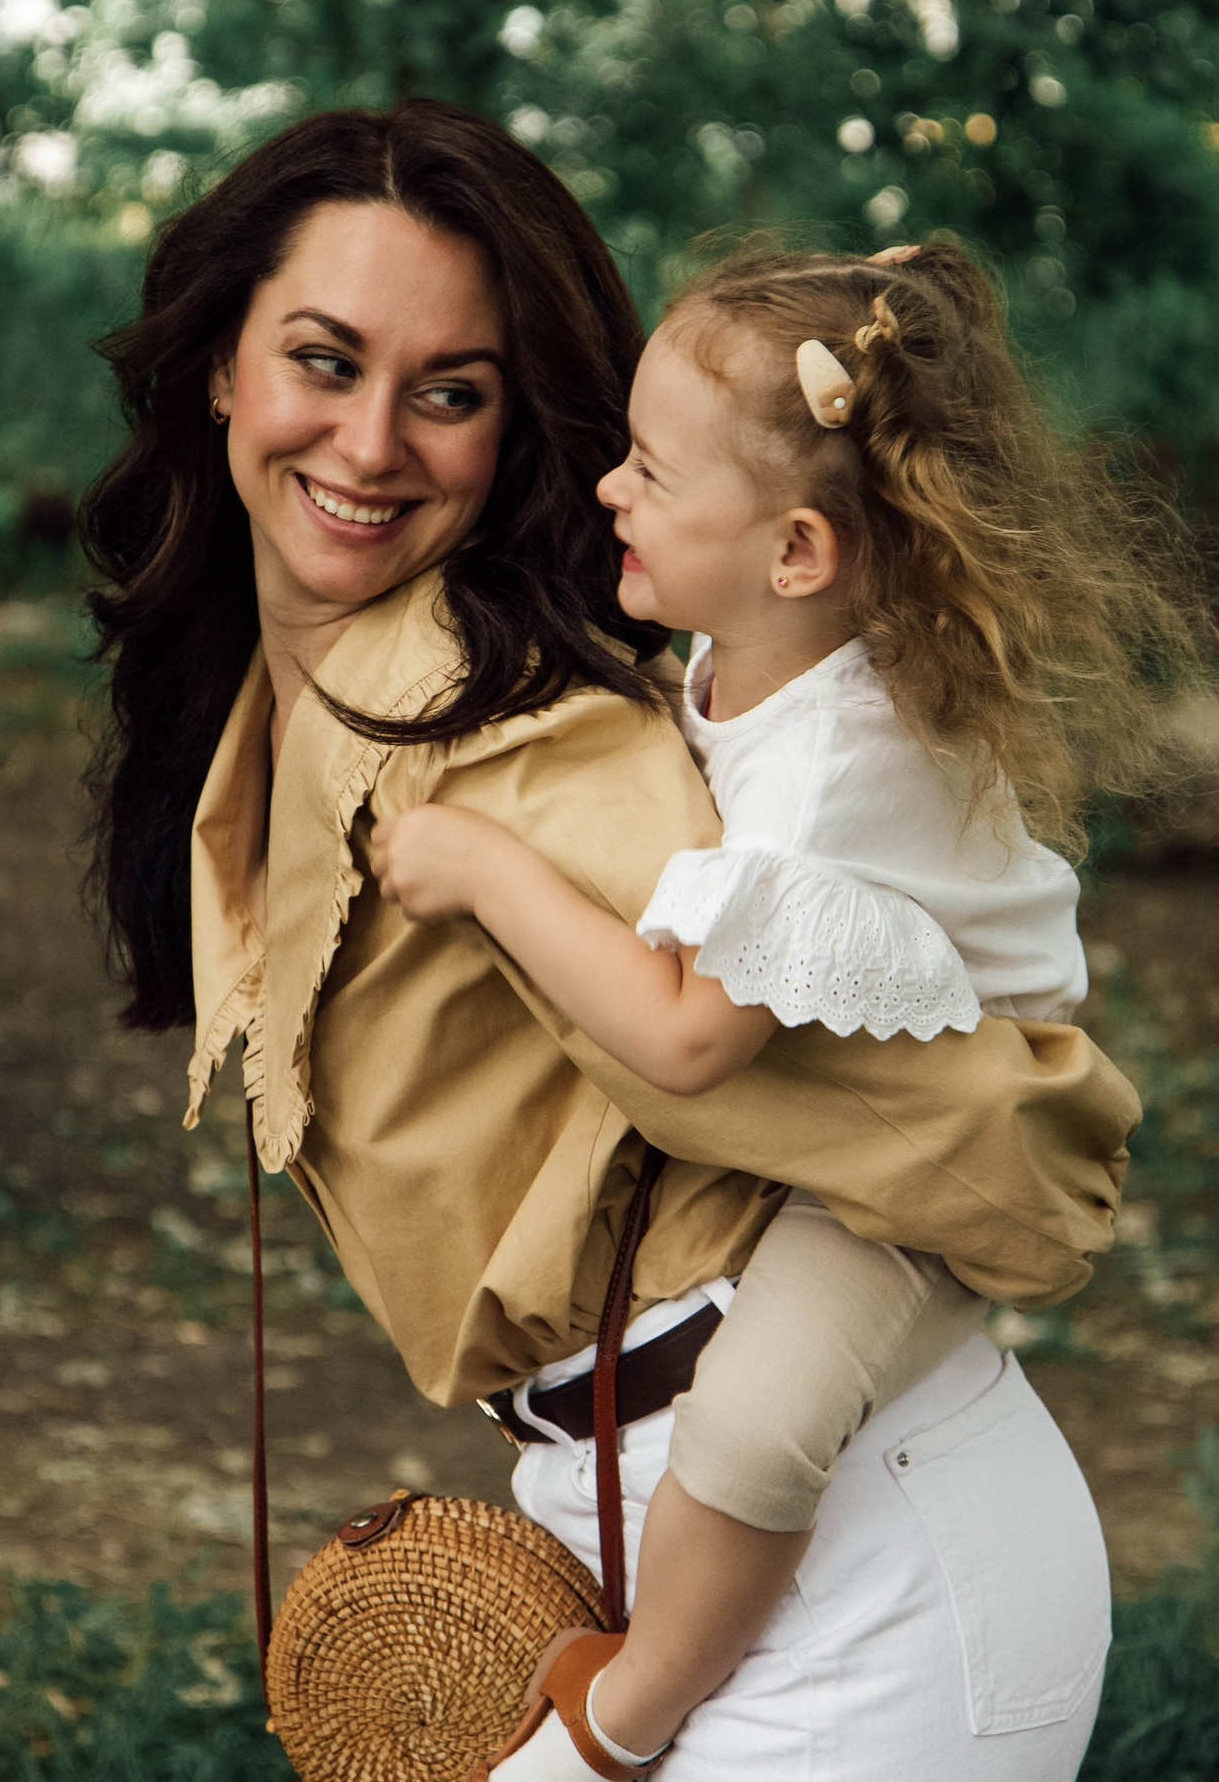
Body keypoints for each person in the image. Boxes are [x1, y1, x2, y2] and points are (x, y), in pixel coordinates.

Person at [80, 103, 1145, 1782]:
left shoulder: (514, 726)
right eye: (322, 362)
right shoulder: (284, 696)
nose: (368, 444)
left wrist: (1052, 1143)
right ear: (220, 365)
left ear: (511, 427)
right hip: (662, 1522)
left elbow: (918, 1103)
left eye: (451, 392)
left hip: (855, 1579)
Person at [370, 236, 1208, 1776]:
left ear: (799, 552)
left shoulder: (839, 766)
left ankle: (636, 1706)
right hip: (864, 1105)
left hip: (925, 1177)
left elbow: (688, 1040)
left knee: (758, 1423)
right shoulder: (751, 643)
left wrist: (490, 869)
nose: (609, 489)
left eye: (647, 470)